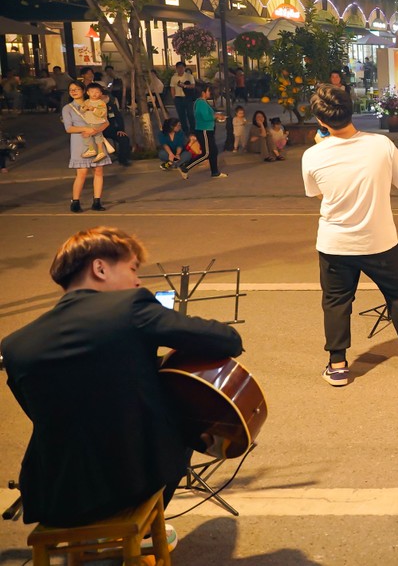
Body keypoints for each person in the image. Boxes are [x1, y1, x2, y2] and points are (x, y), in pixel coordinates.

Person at [1, 227, 243, 530]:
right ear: (100, 268)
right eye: (132, 268)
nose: (137, 280)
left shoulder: (14, 345)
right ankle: (144, 531)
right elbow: (227, 340)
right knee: (179, 413)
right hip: (129, 484)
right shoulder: (130, 306)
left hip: (53, 496)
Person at [301, 83, 398, 386]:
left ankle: (337, 365)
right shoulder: (380, 145)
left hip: (335, 243)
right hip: (380, 241)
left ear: (321, 122)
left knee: (335, 302)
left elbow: (321, 196)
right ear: (352, 112)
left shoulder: (312, 156)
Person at [61, 80, 110, 212]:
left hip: (96, 138)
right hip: (79, 141)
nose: (74, 91)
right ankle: (75, 201)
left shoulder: (97, 104)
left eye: (77, 89)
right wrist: (85, 129)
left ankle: (97, 201)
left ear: (84, 91)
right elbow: (68, 128)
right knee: (81, 173)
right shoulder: (68, 108)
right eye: (71, 89)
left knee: (98, 170)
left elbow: (106, 122)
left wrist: (95, 130)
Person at [179, 83, 227, 180]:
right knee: (207, 153)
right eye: (209, 91)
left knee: (213, 151)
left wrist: (216, 116)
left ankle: (215, 172)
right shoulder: (200, 102)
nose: (210, 93)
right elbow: (205, 117)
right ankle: (185, 167)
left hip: (207, 130)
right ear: (203, 92)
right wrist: (216, 116)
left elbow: (207, 116)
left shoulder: (202, 102)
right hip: (204, 130)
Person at [76, 83, 114, 163]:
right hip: (89, 122)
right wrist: (84, 108)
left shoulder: (101, 103)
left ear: (101, 93)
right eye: (92, 92)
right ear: (88, 93)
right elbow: (81, 110)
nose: (94, 94)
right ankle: (96, 151)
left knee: (91, 135)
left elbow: (101, 114)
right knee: (95, 136)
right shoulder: (86, 102)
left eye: (97, 92)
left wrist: (93, 109)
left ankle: (95, 150)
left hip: (97, 122)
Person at [100, 87, 132, 167]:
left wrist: (121, 129)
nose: (105, 99)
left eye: (105, 97)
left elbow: (118, 117)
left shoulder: (111, 105)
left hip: (111, 129)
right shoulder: (92, 106)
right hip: (97, 130)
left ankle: (123, 159)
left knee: (124, 138)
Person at [169, 62, 196, 133]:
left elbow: (193, 85)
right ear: (176, 68)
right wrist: (173, 97)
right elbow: (172, 88)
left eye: (182, 67)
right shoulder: (174, 77)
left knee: (190, 114)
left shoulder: (189, 76)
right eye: (178, 68)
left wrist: (184, 86)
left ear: (184, 68)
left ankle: (193, 130)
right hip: (178, 98)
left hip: (188, 98)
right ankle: (185, 131)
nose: (180, 69)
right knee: (181, 116)